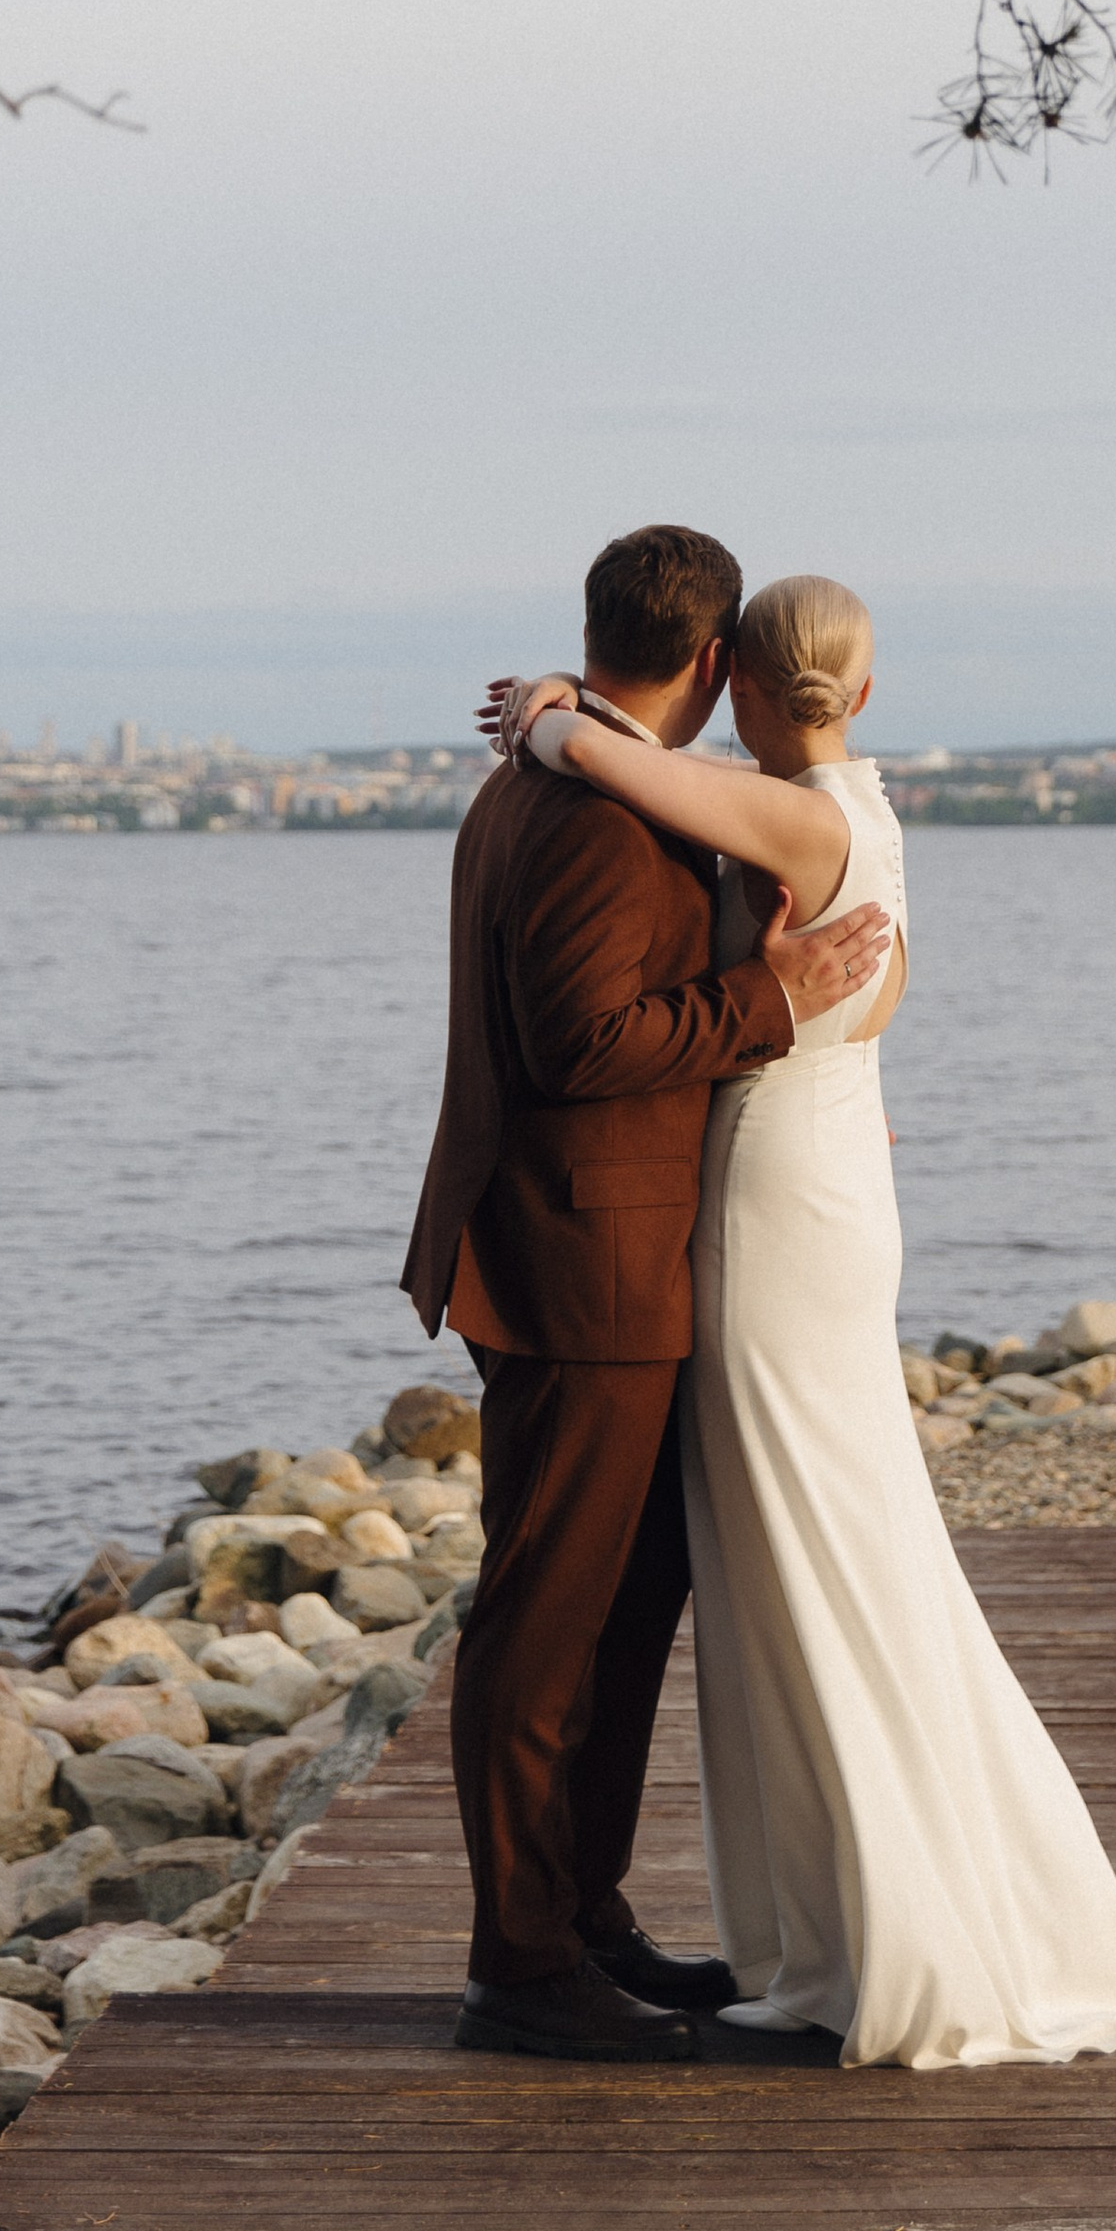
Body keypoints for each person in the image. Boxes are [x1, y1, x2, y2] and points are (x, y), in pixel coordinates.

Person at [489, 572, 1116, 2073]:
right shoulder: (859, 813)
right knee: (810, 1533)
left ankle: (873, 1915)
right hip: (820, 1182)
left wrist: (556, 713)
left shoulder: (798, 817)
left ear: (738, 685)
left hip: (773, 1211)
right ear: (862, 693)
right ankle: (806, 1905)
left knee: (814, 1541)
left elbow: (613, 763)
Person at [401, 523, 895, 2065]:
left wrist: (567, 709)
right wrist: (772, 997)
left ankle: (585, 1916)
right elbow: (583, 1045)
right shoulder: (594, 819)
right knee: (551, 1620)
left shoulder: (573, 772)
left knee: (625, 1605)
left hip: (616, 1260)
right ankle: (521, 1962)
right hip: (578, 1265)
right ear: (708, 662)